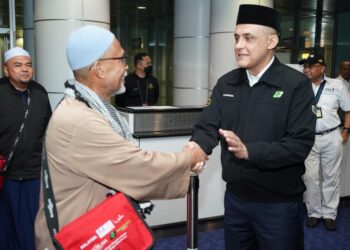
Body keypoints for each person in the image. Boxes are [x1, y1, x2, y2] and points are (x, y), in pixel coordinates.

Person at [34, 25, 206, 249]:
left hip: (91, 231)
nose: (126, 67)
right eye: (121, 59)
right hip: (79, 238)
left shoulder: (88, 107)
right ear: (99, 69)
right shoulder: (80, 120)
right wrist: (188, 159)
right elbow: (137, 166)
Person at [190, 4, 316, 250]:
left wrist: (250, 151)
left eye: (248, 38)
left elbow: (299, 145)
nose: (239, 45)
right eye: (236, 38)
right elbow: (207, 126)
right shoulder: (226, 83)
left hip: (278, 205)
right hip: (236, 202)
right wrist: (195, 148)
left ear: (271, 41)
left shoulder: (295, 85)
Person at [0, 47, 52, 250]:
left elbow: (48, 129)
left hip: (33, 174)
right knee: (6, 227)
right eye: (18, 65)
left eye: (28, 65)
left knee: (33, 226)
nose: (25, 69)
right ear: (6, 70)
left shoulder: (39, 92)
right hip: (5, 175)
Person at [301, 53, 350, 231]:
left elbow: (348, 109)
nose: (306, 69)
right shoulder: (300, 86)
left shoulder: (337, 85)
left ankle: (329, 214)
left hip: (331, 136)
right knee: (310, 177)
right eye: (305, 66)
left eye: (311, 66)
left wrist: (346, 130)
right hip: (308, 138)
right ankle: (314, 212)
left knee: (331, 177)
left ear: (322, 68)